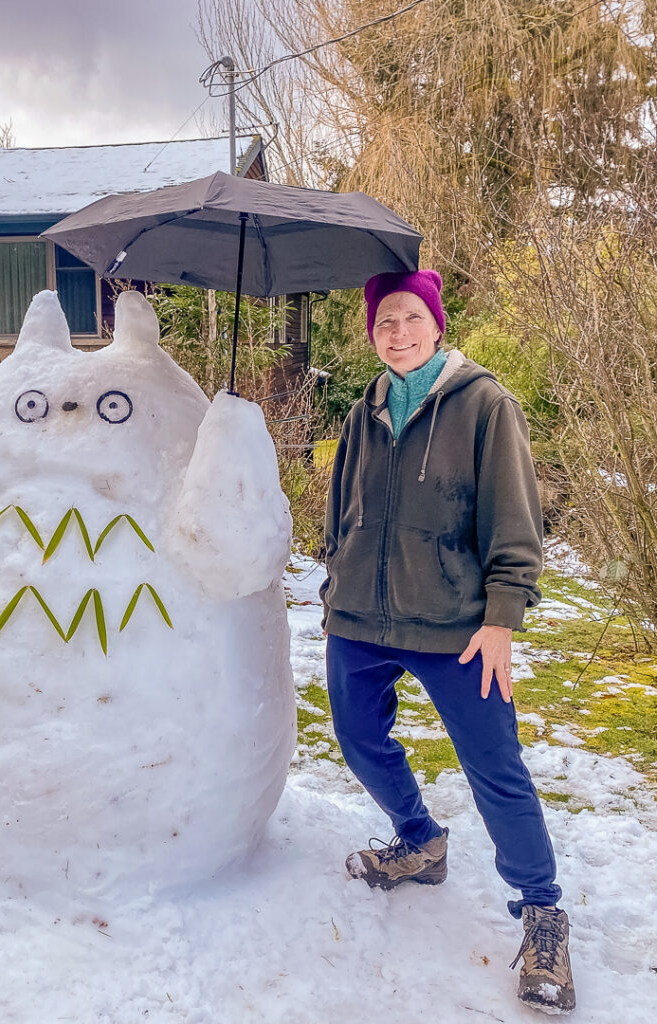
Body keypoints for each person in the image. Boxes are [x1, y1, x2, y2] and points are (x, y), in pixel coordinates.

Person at [320, 269, 574, 1014]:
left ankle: (542, 911)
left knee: (495, 766)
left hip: (459, 625)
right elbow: (342, 510)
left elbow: (516, 525)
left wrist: (501, 618)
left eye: (408, 319)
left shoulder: (485, 405)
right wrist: (338, 581)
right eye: (383, 324)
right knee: (359, 738)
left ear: (435, 321)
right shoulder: (363, 411)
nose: (396, 335)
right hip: (362, 617)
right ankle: (419, 840)